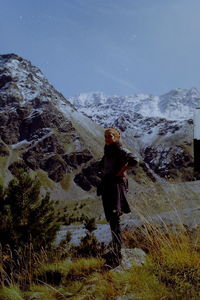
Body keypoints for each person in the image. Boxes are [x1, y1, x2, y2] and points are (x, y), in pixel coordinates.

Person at [98, 127, 138, 268]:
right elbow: (101, 165)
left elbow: (134, 160)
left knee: (115, 217)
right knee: (111, 218)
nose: (108, 138)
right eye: (106, 136)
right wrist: (103, 171)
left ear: (117, 136)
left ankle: (118, 253)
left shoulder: (121, 149)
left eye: (110, 136)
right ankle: (116, 249)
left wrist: (122, 171)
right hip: (108, 186)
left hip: (116, 187)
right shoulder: (108, 150)